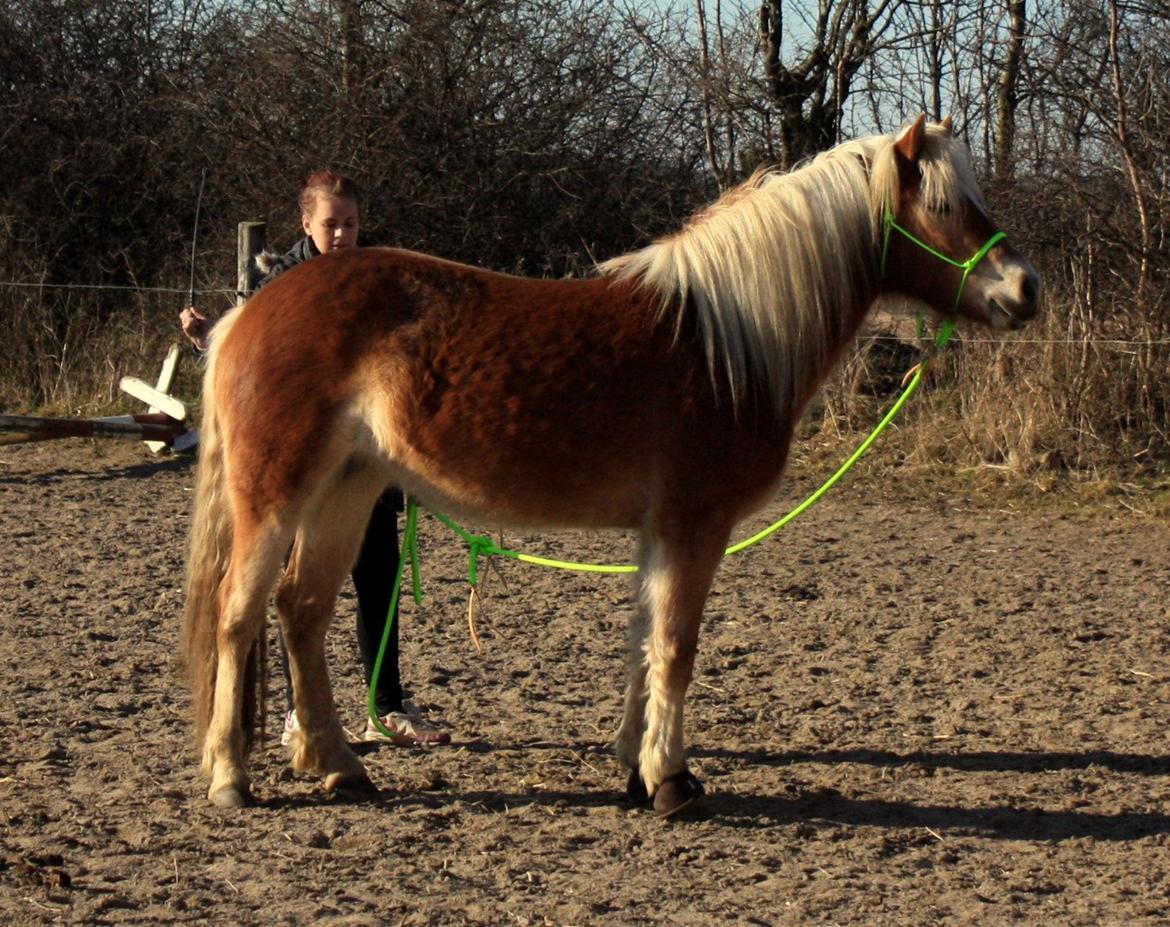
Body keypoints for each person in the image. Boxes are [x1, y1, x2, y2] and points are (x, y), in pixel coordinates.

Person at [180, 169, 450, 747]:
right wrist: (208, 340)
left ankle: (388, 701)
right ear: (307, 223)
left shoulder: (372, 280)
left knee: (380, 579)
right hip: (306, 462)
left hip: (369, 461)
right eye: (331, 224)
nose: (342, 235)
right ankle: (301, 711)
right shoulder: (283, 285)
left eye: (351, 223)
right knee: (291, 583)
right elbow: (254, 364)